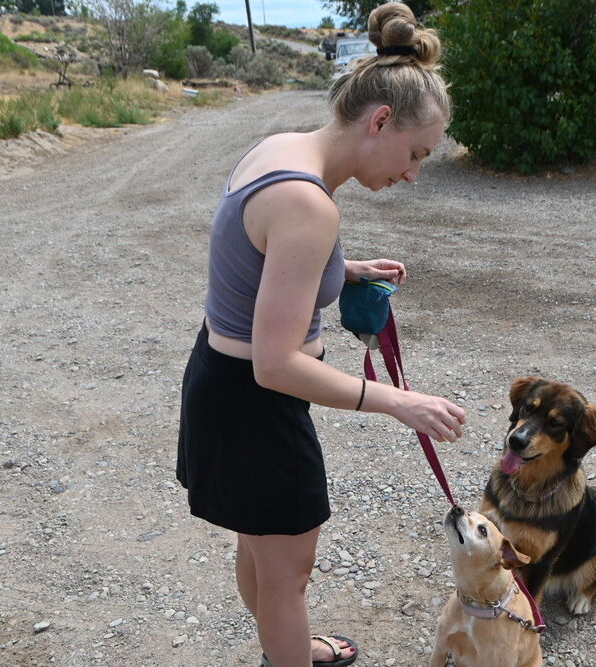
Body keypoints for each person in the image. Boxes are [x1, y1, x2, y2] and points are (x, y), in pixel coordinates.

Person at [176, 3, 465, 666]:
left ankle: (290, 644)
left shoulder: (282, 150)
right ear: (380, 120)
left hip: (220, 383)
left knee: (264, 551)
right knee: (288, 574)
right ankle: (291, 647)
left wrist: (344, 267)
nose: (414, 173)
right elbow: (276, 363)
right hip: (258, 405)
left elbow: (259, 254)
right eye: (416, 154)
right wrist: (398, 401)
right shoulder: (310, 206)